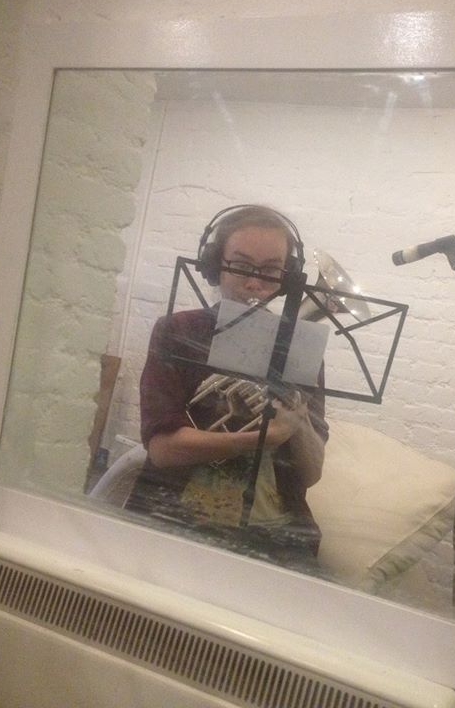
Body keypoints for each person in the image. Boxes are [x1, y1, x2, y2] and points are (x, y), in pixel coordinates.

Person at [124, 205, 328, 572]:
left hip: (279, 536)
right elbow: (163, 451)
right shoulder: (178, 332)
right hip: (175, 517)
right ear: (214, 265)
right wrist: (261, 438)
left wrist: (298, 424)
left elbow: (311, 474)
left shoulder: (301, 347)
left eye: (271, 270)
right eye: (241, 265)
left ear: (288, 276)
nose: (254, 283)